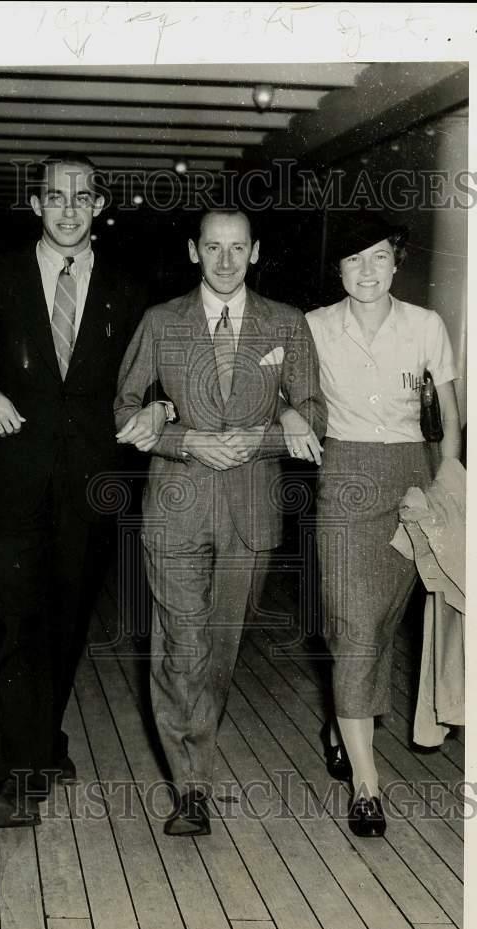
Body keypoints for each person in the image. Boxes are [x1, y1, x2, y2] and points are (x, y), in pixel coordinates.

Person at [114, 208, 327, 836]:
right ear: (193, 251)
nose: (226, 261)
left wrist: (271, 430)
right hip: (177, 506)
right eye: (214, 247)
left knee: (221, 651)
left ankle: (196, 752)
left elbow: (313, 410)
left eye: (238, 248)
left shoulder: (286, 323)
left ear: (256, 252)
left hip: (251, 513)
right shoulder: (160, 322)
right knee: (183, 644)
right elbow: (126, 410)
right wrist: (185, 441)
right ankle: (192, 787)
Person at [0, 153, 160, 828]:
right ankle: (13, 776)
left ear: (100, 206)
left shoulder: (130, 286)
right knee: (10, 619)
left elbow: (155, 374)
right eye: (57, 196)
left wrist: (160, 409)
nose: (69, 208)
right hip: (9, 480)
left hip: (91, 480)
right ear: (36, 203)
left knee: (65, 620)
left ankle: (43, 737)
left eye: (83, 197)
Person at [286, 210, 462, 837]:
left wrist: (445, 476)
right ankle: (367, 783)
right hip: (346, 475)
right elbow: (270, 382)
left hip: (413, 477)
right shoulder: (311, 327)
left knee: (382, 620)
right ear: (338, 268)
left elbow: (447, 411)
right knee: (354, 621)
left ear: (397, 261)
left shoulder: (426, 325)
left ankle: (341, 718)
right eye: (354, 259)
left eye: (379, 257)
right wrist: (288, 413)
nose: (367, 270)